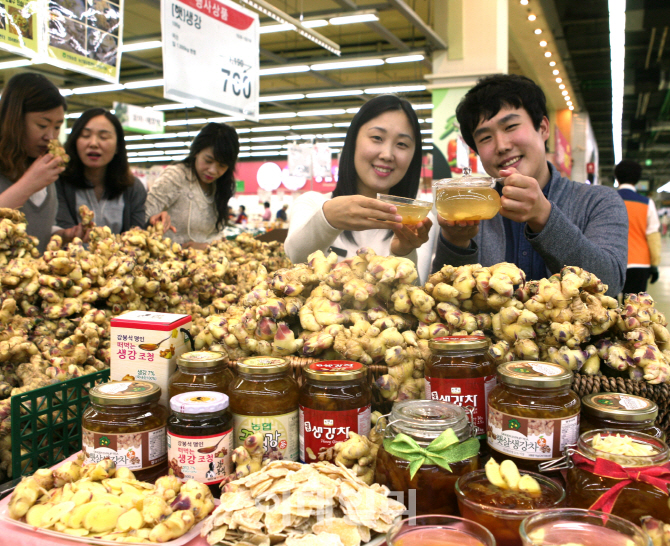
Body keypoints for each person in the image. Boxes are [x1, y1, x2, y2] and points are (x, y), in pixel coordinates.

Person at [431, 74, 628, 296]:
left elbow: (609, 284)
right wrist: (456, 242)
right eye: (485, 138)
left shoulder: (599, 202)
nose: (501, 146)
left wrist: (544, 216)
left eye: (511, 126)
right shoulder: (474, 210)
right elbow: (444, 298)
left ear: (543, 128)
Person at [284, 94, 435, 281]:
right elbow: (295, 258)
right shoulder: (313, 203)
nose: (387, 154)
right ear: (353, 141)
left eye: (402, 144)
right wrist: (327, 219)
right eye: (377, 137)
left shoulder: (419, 220)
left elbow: (416, 299)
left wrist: (404, 252)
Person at [55, 108, 161, 242]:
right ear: (75, 140)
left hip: (120, 261)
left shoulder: (133, 188)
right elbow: (59, 230)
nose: (93, 143)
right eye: (85, 135)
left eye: (103, 137)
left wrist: (153, 224)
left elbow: (138, 236)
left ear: (117, 146)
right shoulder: (59, 182)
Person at [0, 73, 67, 253]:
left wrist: (62, 234)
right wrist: (28, 184)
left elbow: (39, 229)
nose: (50, 137)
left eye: (57, 127)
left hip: (34, 278)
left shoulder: (44, 166)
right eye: (42, 125)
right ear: (15, 120)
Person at [145, 122, 239, 249]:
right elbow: (141, 218)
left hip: (207, 263)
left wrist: (209, 247)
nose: (212, 170)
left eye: (222, 166)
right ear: (196, 152)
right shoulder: (176, 176)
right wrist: (155, 219)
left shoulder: (221, 185)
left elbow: (217, 234)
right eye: (208, 161)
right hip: (170, 262)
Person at [615, 159, 660, 294]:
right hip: (640, 263)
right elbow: (653, 236)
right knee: (634, 310)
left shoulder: (607, 200)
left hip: (613, 262)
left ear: (617, 177)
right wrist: (654, 265)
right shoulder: (647, 203)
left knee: (611, 309)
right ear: (638, 179)